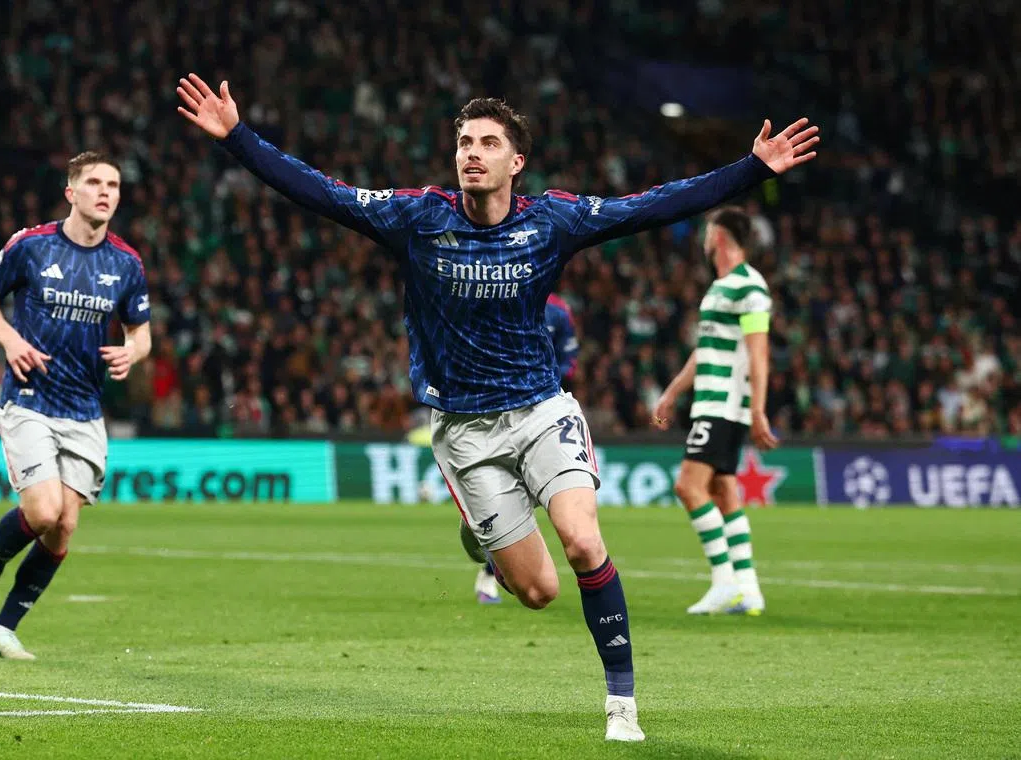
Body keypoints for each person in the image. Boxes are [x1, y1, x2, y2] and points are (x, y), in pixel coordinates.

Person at [177, 73, 817, 741]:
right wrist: (237, 137)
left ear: (517, 162)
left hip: (541, 410)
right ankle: (482, 533)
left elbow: (651, 206)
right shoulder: (418, 218)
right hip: (464, 432)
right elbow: (322, 192)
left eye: (488, 143)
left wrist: (750, 169)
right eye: (464, 142)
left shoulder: (552, 220)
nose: (472, 153)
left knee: (582, 540)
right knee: (538, 592)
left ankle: (622, 706)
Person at [0, 152, 152, 660]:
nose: (105, 192)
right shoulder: (31, 245)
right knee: (42, 512)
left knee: (64, 527)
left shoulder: (126, 263)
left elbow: (142, 333)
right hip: (31, 398)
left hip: (84, 407)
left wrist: (132, 352)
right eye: (94, 182)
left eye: (113, 184)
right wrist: (9, 341)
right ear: (71, 192)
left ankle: (4, 630)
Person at [654, 207, 777, 615]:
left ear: (720, 237)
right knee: (723, 491)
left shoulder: (749, 287)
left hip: (724, 404)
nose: (704, 238)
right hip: (712, 402)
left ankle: (724, 582)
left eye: (709, 231)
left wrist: (757, 410)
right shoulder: (720, 288)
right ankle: (749, 589)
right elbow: (705, 350)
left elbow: (759, 353)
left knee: (688, 487)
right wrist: (672, 392)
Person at [467, 292, 580, 604]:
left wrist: (544, 380)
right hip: (497, 410)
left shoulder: (559, 310)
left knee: (546, 496)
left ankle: (494, 554)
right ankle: (492, 566)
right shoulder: (497, 293)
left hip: (544, 410)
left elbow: (570, 360)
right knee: (515, 493)